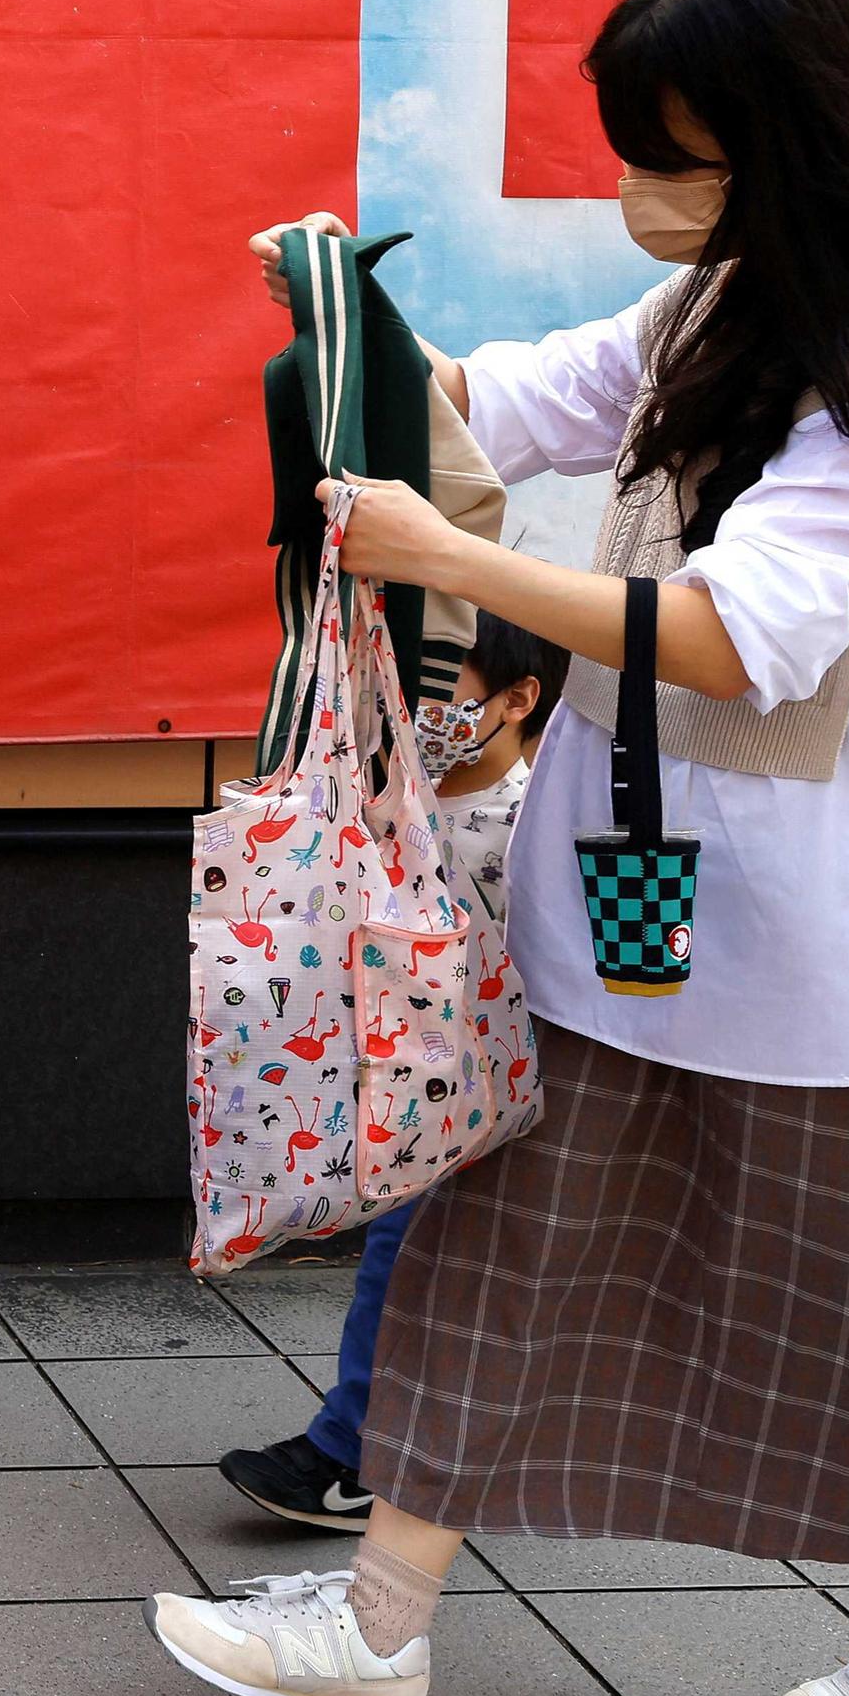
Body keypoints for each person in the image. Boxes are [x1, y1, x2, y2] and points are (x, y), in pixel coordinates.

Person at [145, 0, 849, 1696]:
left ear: (786, 142)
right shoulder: (719, 306)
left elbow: (748, 635)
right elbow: (511, 403)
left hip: (814, 949)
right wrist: (350, 349)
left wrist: (463, 566)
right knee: (492, 1251)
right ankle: (375, 1626)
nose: (643, 190)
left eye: (676, 149)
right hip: (623, 906)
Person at [218, 611, 563, 1531]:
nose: (418, 716)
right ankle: (387, 1449)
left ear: (519, 701)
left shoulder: (537, 821)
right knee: (418, 1267)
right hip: (407, 1081)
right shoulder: (400, 803)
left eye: (444, 691)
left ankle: (352, 1456)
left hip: (492, 1092)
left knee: (404, 1260)